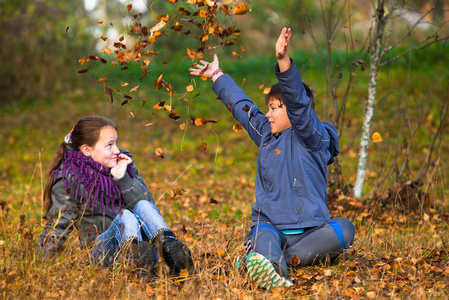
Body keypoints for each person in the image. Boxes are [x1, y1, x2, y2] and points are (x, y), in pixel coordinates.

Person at [190, 27, 355, 290]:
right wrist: (216, 75)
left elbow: (299, 104)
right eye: (269, 108)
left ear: (295, 111)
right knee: (262, 236)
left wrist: (283, 61)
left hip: (312, 231)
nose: (268, 114)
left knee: (345, 229)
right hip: (270, 227)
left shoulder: (313, 136)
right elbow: (244, 109)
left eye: (275, 108)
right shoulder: (267, 136)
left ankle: (275, 259)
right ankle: (276, 273)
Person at [37, 116, 194, 278]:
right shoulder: (70, 178)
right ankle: (138, 261)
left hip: (141, 250)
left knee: (144, 206)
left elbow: (149, 208)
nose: (117, 150)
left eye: (116, 143)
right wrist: (41, 270)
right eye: (109, 145)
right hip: (104, 254)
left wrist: (122, 178)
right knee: (125, 215)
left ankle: (171, 253)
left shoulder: (124, 165)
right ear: (87, 150)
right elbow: (57, 227)